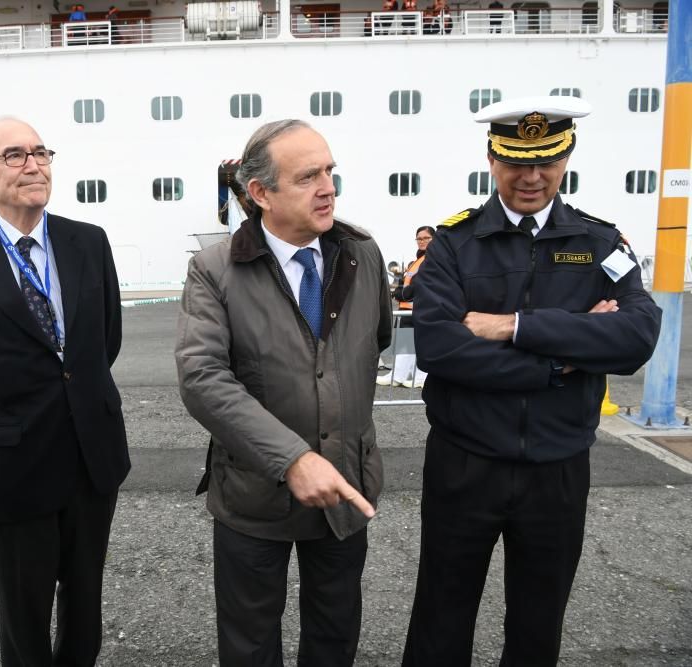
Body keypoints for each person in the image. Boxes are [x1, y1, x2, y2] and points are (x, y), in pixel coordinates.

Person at [402, 96, 662, 666]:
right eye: (517, 161)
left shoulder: (599, 244)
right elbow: (441, 349)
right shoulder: (453, 244)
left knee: (539, 624)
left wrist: (514, 327)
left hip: (557, 467)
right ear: (492, 161)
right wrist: (560, 361)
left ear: (567, 157)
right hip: (465, 463)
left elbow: (638, 336)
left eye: (547, 160)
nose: (532, 176)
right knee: (441, 619)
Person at [176, 119, 391, 666]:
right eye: (307, 177)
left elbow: (374, 342)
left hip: (345, 487)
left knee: (335, 634)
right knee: (250, 643)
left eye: (329, 172)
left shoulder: (362, 255)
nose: (327, 188)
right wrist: (293, 459)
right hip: (254, 494)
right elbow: (203, 378)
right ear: (261, 193)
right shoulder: (214, 270)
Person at [0, 116, 129, 667]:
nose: (34, 165)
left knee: (84, 604)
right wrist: (5, 419)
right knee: (22, 615)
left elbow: (102, 343)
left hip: (93, 457)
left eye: (41, 153)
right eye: (15, 155)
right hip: (13, 466)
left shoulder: (89, 242)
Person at [377, 225, 434, 388]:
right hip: (410, 307)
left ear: (434, 239)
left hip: (416, 307)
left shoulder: (429, 259)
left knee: (410, 344)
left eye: (426, 238)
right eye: (419, 238)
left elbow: (421, 283)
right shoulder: (420, 259)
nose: (421, 241)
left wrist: (402, 293)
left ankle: (406, 376)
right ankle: (405, 375)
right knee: (409, 344)